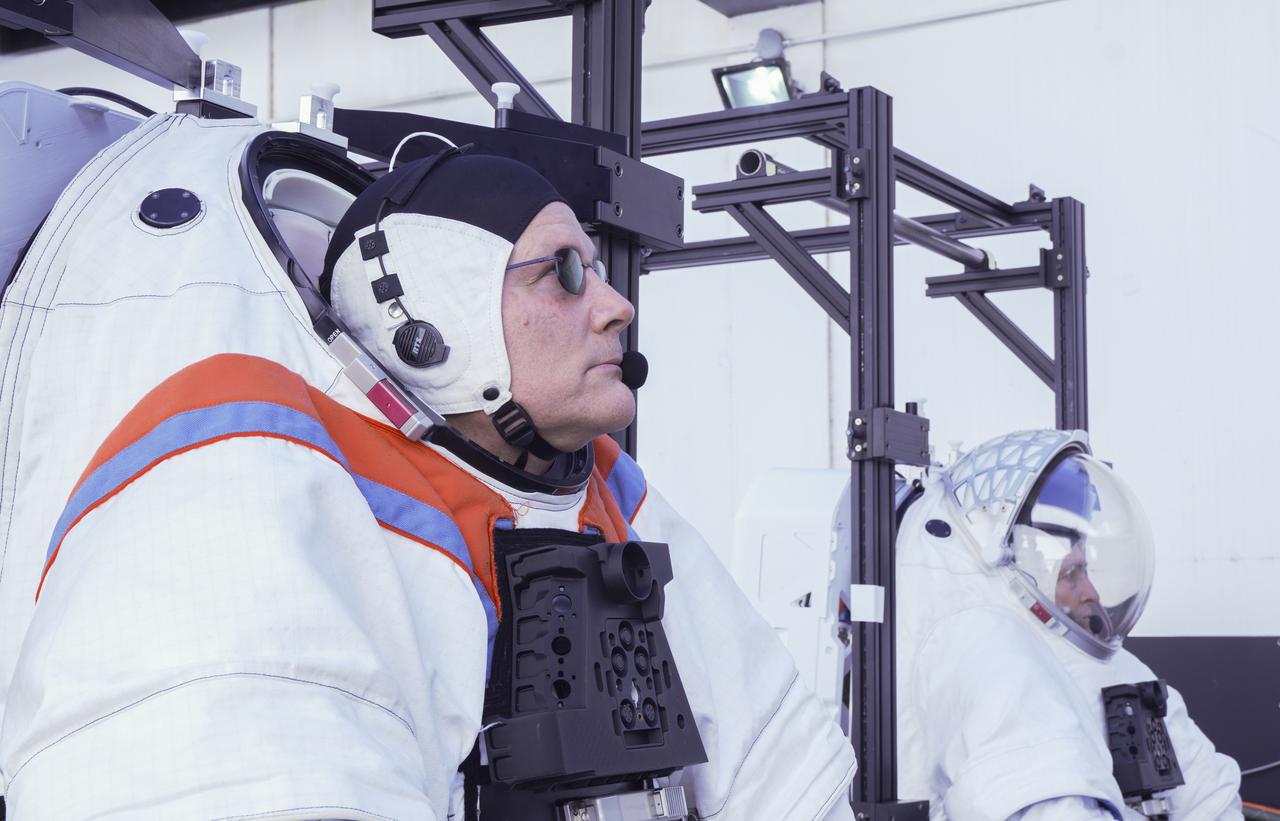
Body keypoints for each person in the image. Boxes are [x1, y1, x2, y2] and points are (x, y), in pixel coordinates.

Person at [0, 151, 855, 820]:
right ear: (429, 317)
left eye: (594, 269)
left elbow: (784, 780)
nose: (613, 304)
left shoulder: (606, 494)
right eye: (561, 272)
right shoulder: (256, 467)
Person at [894, 429, 1242, 820]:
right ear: (1022, 575)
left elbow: (1212, 799)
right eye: (1071, 574)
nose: (1091, 592)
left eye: (1086, 570)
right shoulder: (990, 662)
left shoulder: (1115, 670)